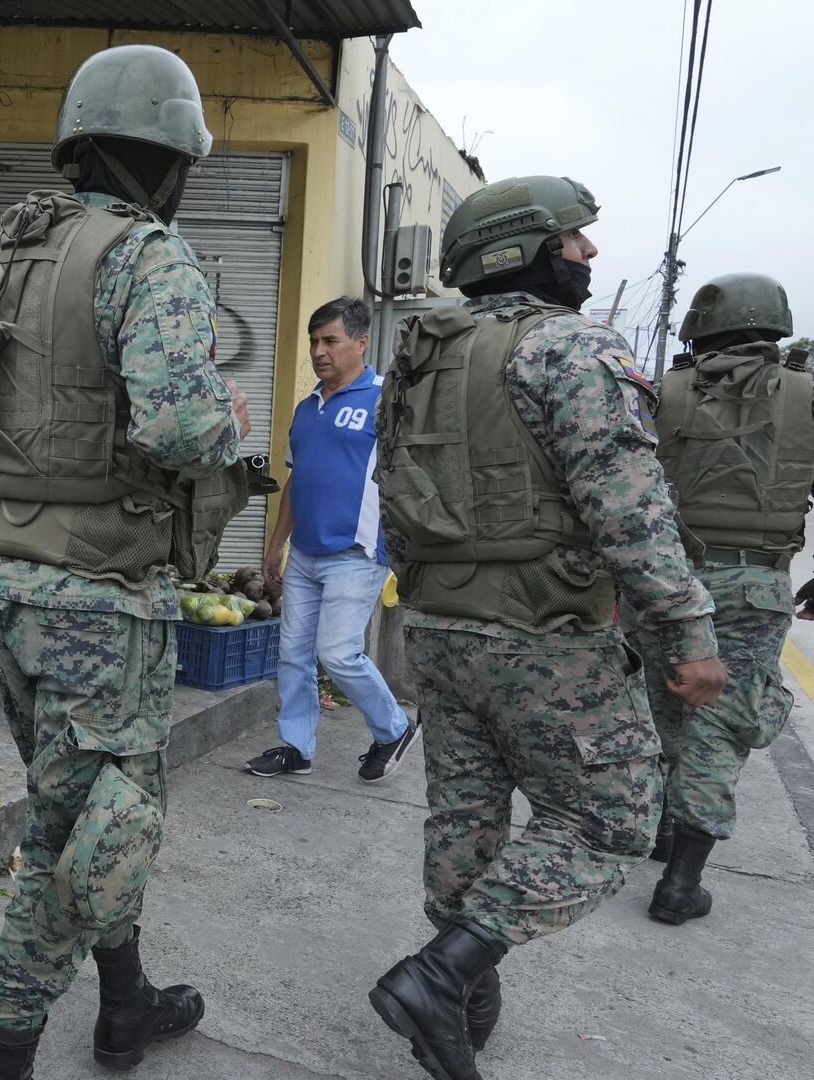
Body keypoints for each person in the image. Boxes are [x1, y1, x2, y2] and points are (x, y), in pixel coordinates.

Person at [371, 175, 728, 1080]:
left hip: (440, 628)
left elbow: (395, 493)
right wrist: (687, 631)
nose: (589, 253)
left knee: (465, 818)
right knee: (610, 820)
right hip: (544, 635)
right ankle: (441, 976)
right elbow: (630, 510)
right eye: (573, 239)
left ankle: (461, 1002)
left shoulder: (416, 358)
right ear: (521, 250)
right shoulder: (567, 349)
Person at [0, 44, 250, 1080]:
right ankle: (3, 1060)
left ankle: (124, 1004)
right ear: (166, 159)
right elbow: (178, 425)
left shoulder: (0, 260)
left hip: (14, 586)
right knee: (73, 842)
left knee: (88, 814)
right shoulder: (146, 254)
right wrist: (228, 426)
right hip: (106, 599)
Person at [630, 273, 808, 926]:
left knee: (663, 711)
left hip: (665, 582)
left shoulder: (663, 393)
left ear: (700, 329)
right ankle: (680, 886)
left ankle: (662, 834)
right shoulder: (807, 397)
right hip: (756, 588)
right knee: (722, 725)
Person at [248, 297, 417, 783]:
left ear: (361, 343)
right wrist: (277, 543)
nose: (319, 351)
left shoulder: (386, 399)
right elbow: (295, 483)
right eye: (314, 341)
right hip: (305, 553)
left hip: (358, 552)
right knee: (293, 654)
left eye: (330, 341)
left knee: (339, 653)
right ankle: (296, 746)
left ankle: (393, 728)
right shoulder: (306, 408)